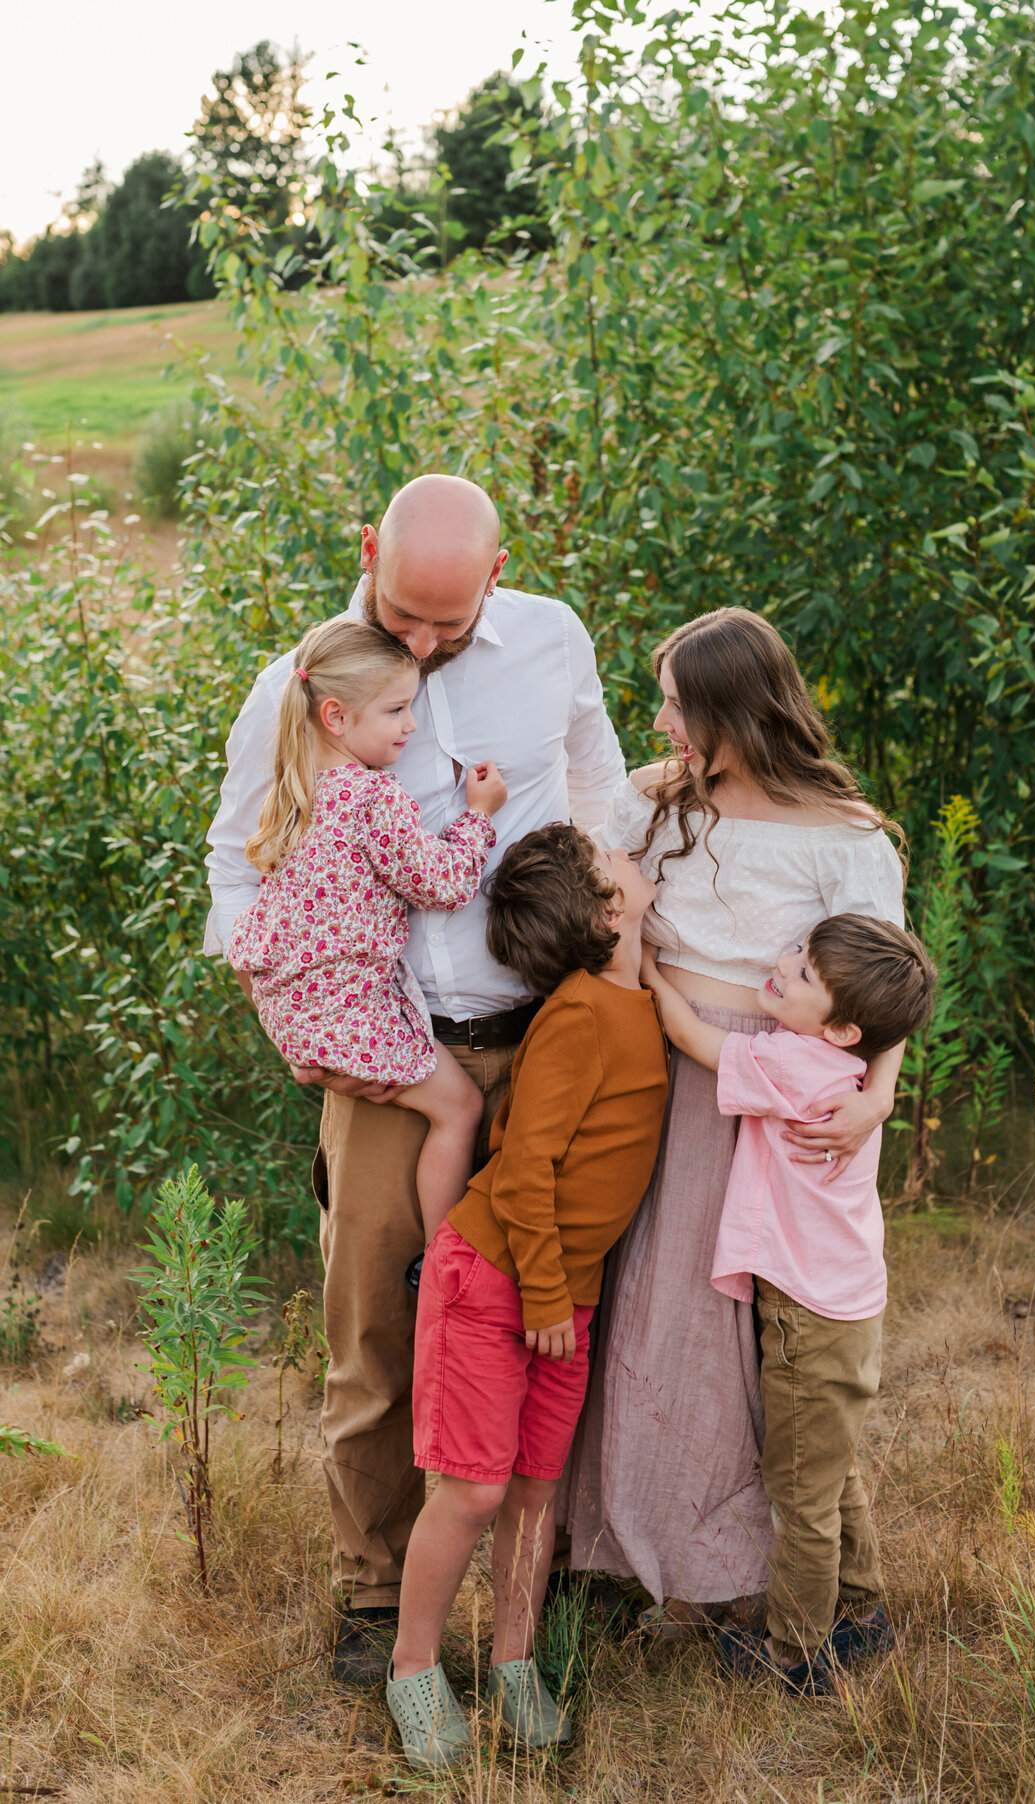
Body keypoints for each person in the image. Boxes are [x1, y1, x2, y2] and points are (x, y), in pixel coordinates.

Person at [205, 474, 626, 1682]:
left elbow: (600, 790)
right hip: (391, 1055)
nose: (424, 647)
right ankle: (376, 1595)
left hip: (551, 1038)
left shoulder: (554, 640)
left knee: (554, 1310)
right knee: (381, 1330)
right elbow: (236, 865)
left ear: (501, 570)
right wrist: (281, 995)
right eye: (403, 613)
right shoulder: (299, 687)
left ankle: (542, 1587)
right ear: (366, 552)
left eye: (448, 623)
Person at [567, 607, 907, 1632]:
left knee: (733, 1339)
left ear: (729, 709)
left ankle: (727, 1565)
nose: (661, 718)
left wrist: (879, 1096)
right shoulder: (653, 799)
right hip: (650, 1065)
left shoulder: (843, 836)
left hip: (760, 1088)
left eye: (676, 701)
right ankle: (622, 1547)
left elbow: (883, 993)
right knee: (637, 1309)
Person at [385, 824, 668, 1772]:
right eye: (615, 860)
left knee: (537, 1492)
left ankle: (513, 1664)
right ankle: (414, 1669)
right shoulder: (581, 1014)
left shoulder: (643, 1002)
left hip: (563, 1299)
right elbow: (527, 1170)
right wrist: (545, 1295)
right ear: (606, 909)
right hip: (500, 1277)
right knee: (474, 1489)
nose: (632, 858)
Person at [641, 916, 935, 1693]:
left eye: (802, 974)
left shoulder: (791, 1065)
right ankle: (863, 1614)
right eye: (799, 952)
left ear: (840, 1029)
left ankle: (797, 1651)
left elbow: (693, 1037)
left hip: (808, 1310)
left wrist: (646, 965)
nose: (782, 964)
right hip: (847, 1300)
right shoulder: (843, 1070)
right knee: (831, 1470)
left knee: (799, 1489)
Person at [226, 617, 507, 1253]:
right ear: (336, 716)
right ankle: (447, 1262)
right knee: (458, 1109)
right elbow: (440, 884)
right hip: (346, 1011)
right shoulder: (371, 796)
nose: (411, 725)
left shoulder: (297, 791)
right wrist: (479, 817)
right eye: (397, 709)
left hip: (294, 1011)